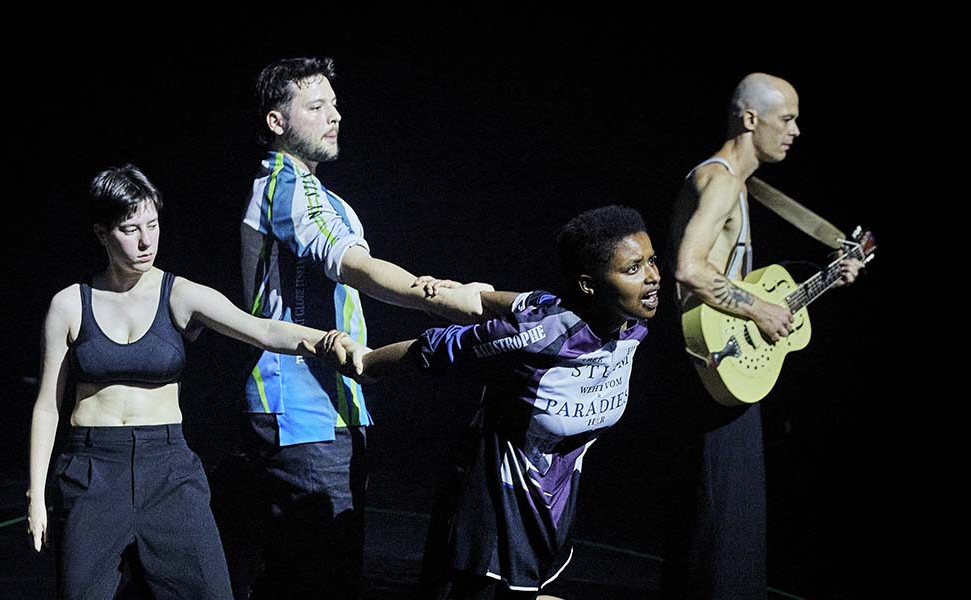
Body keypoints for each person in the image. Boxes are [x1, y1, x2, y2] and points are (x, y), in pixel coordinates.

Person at [212, 56, 492, 599]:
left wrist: (433, 286)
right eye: (315, 108)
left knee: (321, 571)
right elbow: (352, 265)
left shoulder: (327, 197)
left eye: (334, 105)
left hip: (336, 405)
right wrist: (432, 298)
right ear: (277, 123)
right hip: (298, 407)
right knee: (316, 577)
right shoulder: (282, 186)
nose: (333, 116)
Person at [26, 164, 362, 599]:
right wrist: (36, 496)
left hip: (167, 471)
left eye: (153, 224)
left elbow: (261, 329)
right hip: (93, 472)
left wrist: (326, 340)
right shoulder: (69, 305)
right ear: (102, 232)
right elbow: (47, 406)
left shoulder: (178, 294)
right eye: (131, 229)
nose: (147, 241)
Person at [324, 205, 661, 599]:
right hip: (493, 508)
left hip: (552, 505)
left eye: (652, 261)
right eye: (633, 268)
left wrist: (470, 292)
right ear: (589, 285)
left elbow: (509, 301)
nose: (653, 277)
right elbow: (437, 346)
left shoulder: (632, 327)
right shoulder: (542, 334)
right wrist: (367, 363)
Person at [664, 73, 863, 599]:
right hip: (706, 367)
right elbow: (688, 268)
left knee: (715, 529)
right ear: (750, 119)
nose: (796, 130)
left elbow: (748, 288)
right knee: (723, 533)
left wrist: (826, 278)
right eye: (788, 118)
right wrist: (758, 309)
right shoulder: (723, 179)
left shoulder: (742, 185)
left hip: (718, 365)